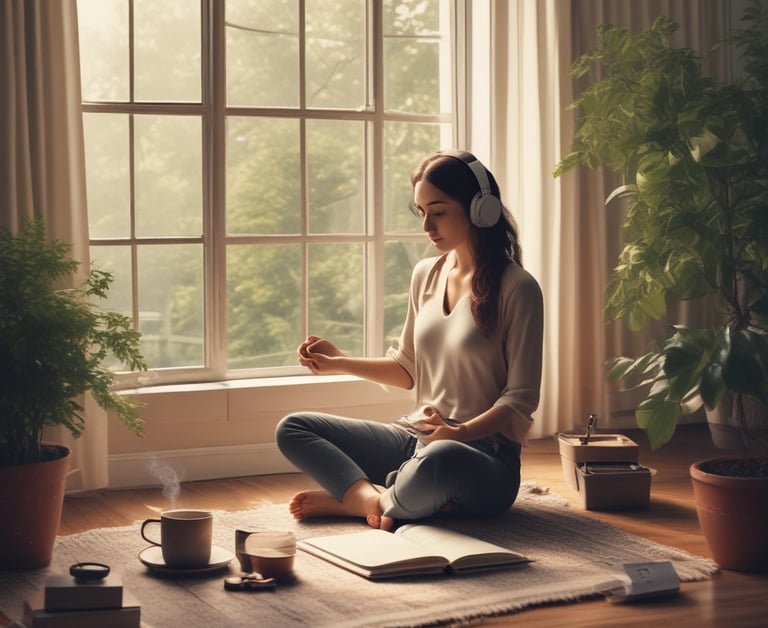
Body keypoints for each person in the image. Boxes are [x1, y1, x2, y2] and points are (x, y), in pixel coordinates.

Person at [275, 149, 544, 532]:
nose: (427, 226)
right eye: (420, 212)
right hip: (412, 439)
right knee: (294, 427)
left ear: (480, 209)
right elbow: (406, 370)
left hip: (481, 457)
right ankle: (379, 501)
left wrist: (460, 432)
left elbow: (520, 400)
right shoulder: (425, 275)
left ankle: (360, 500)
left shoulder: (519, 288)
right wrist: (339, 361)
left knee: (440, 460)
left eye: (438, 211)